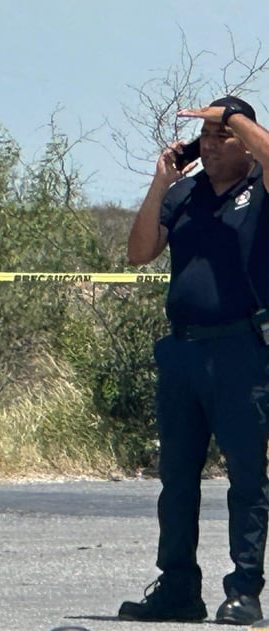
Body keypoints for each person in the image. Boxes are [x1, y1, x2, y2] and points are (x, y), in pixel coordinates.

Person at [119, 96, 269, 626]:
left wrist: (235, 121)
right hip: (183, 350)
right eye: (204, 134)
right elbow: (139, 252)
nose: (209, 143)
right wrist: (162, 179)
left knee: (246, 477)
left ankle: (244, 589)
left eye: (221, 135)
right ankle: (178, 586)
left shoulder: (261, 188)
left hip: (241, 351)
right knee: (177, 478)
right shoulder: (186, 193)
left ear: (245, 137)